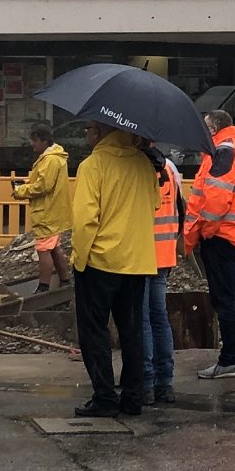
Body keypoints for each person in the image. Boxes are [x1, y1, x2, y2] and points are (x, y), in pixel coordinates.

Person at [67, 119, 156, 420]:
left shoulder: (93, 166)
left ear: (101, 132)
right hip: (137, 260)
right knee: (132, 332)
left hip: (100, 261)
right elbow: (153, 204)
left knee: (94, 331)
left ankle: (104, 395)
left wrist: (80, 257)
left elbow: (84, 220)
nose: (86, 134)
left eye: (90, 129)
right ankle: (133, 397)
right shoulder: (143, 164)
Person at [185, 109, 235, 381]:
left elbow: (217, 199)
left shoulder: (223, 151)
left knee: (225, 299)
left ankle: (230, 360)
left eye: (206, 127)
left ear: (215, 128)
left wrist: (204, 230)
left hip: (221, 236)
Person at [139, 144, 183, 404]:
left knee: (142, 321)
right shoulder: (170, 168)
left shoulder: (137, 169)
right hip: (164, 254)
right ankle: (165, 383)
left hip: (140, 254)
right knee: (160, 318)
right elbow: (181, 209)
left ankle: (145, 383)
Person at [18, 123, 73, 291]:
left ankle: (43, 286)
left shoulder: (50, 160)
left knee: (43, 249)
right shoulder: (56, 158)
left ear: (43, 141)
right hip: (54, 211)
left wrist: (21, 190)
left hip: (47, 212)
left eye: (34, 140)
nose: (32, 144)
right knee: (54, 248)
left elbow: (43, 186)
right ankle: (65, 280)